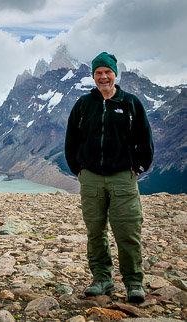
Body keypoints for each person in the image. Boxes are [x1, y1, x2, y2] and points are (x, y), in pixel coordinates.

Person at [64, 52, 154, 303]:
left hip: (123, 177)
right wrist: (77, 169)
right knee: (95, 231)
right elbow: (71, 139)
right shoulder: (84, 104)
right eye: (98, 73)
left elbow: (144, 140)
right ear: (93, 76)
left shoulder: (130, 103)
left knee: (127, 230)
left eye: (107, 72)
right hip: (91, 178)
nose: (103, 77)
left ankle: (134, 282)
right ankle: (102, 278)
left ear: (115, 74)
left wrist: (138, 168)